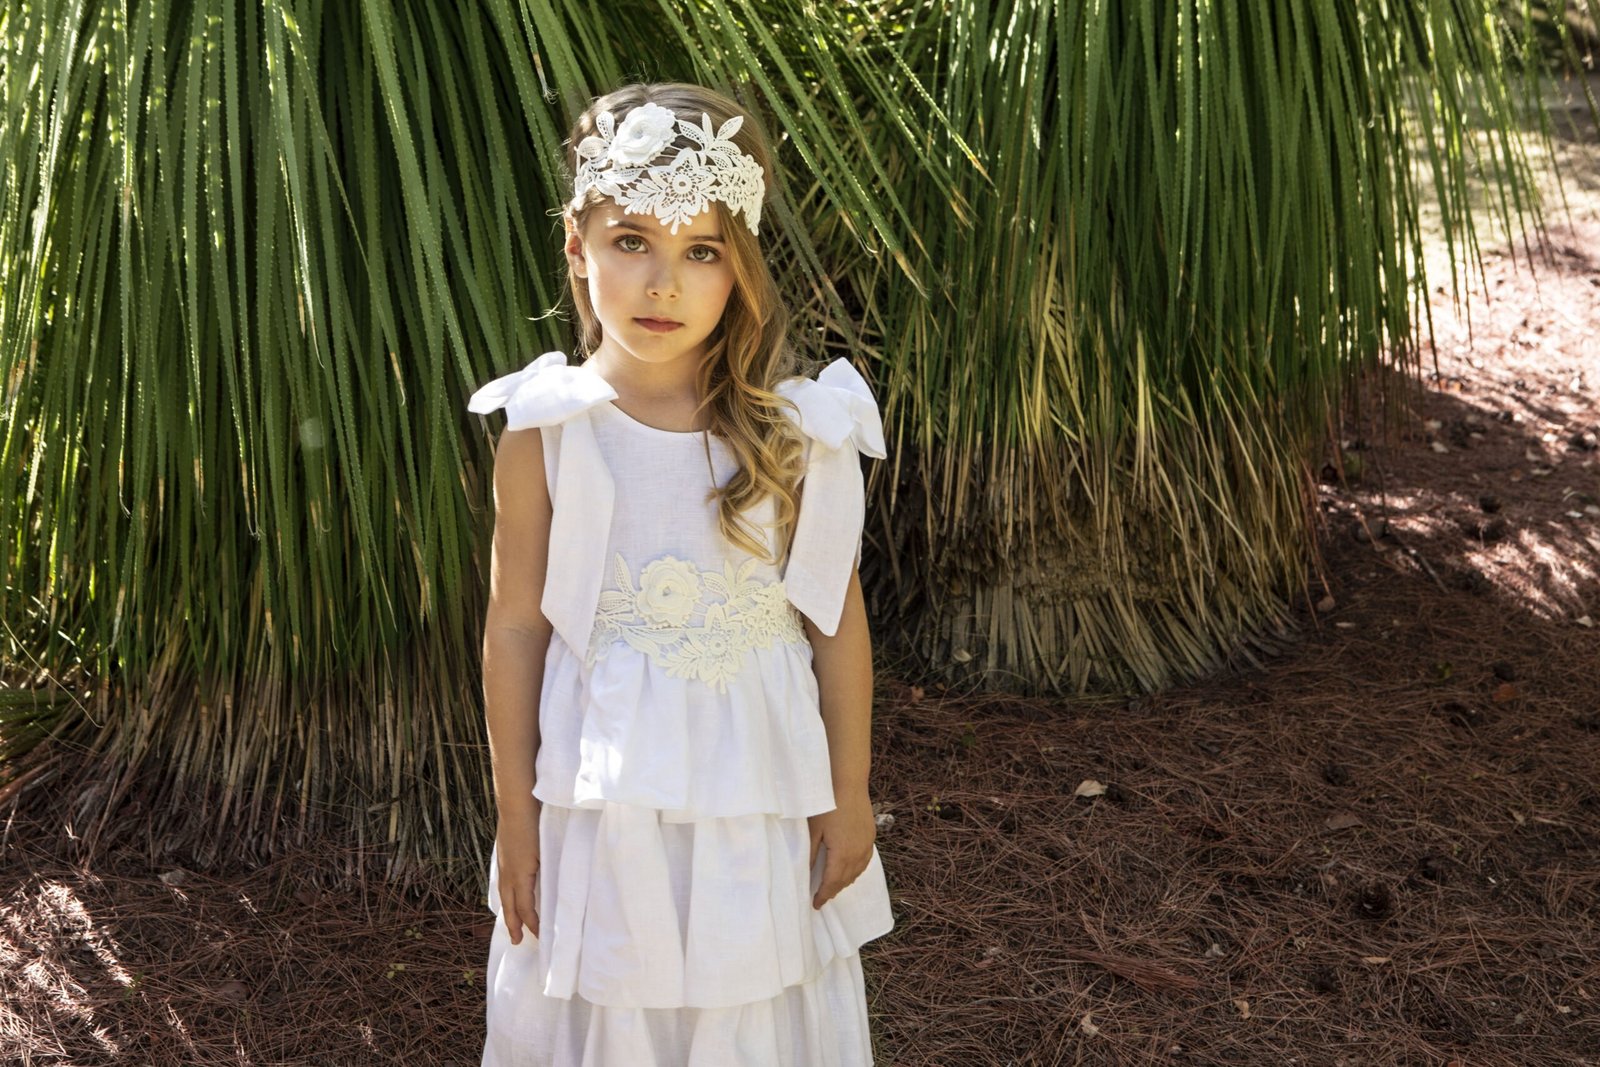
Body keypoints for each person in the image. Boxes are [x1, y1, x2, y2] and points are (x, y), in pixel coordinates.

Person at [466, 81, 895, 1066]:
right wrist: (516, 814)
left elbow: (835, 622)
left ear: (740, 266)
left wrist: (848, 790)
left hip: (757, 799)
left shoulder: (796, 436)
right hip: (604, 807)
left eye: (701, 250)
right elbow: (516, 626)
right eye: (632, 241)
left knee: (749, 999)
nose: (664, 283)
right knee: (615, 997)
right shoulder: (550, 433)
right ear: (577, 248)